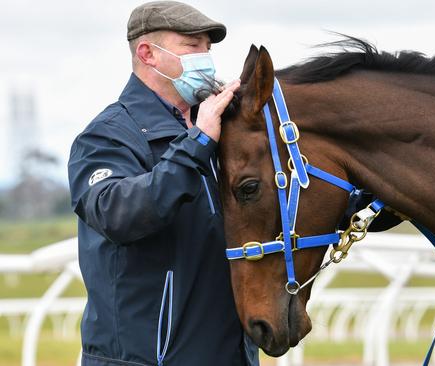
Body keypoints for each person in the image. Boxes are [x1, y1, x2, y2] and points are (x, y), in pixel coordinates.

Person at [67, 1, 258, 365]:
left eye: (208, 47)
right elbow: (116, 213)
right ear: (147, 53)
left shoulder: (220, 130)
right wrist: (197, 145)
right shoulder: (106, 136)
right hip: (147, 358)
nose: (206, 57)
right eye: (192, 46)